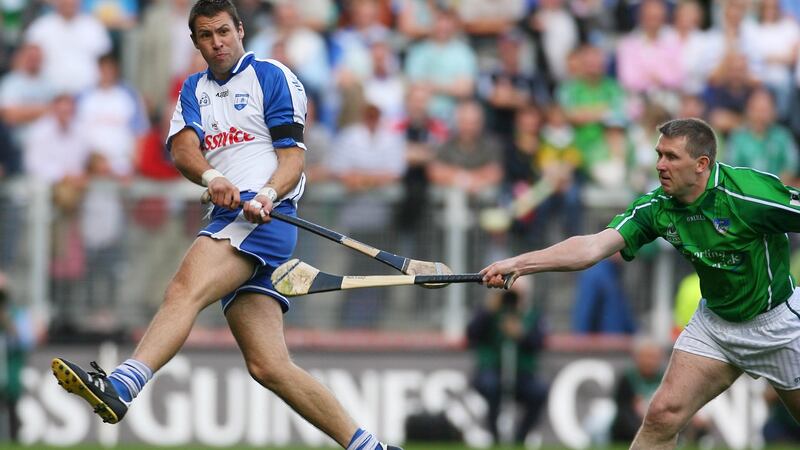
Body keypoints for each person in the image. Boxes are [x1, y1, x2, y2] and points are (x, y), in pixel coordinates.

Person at [51, 2, 402, 450]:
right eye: (205, 35)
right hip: (228, 217)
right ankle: (368, 446)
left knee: (183, 289)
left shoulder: (272, 76)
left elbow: (293, 157)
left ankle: (122, 386)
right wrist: (213, 177)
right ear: (195, 42)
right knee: (268, 366)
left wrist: (268, 194)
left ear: (240, 30)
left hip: (267, 218)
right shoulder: (193, 89)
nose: (217, 42)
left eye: (223, 32)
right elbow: (182, 149)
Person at [482, 117, 800, 449]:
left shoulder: (749, 193)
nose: (661, 165)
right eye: (658, 154)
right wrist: (518, 264)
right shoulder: (657, 207)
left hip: (776, 324)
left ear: (701, 164)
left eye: (672, 157)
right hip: (716, 327)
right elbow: (592, 247)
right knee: (662, 416)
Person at [466, 277, 548, 444]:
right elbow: (472, 334)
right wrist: (489, 310)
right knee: (491, 386)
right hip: (492, 369)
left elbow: (539, 342)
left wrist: (521, 333)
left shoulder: (532, 314)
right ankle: (495, 437)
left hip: (522, 373)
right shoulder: (490, 311)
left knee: (539, 391)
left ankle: (520, 438)